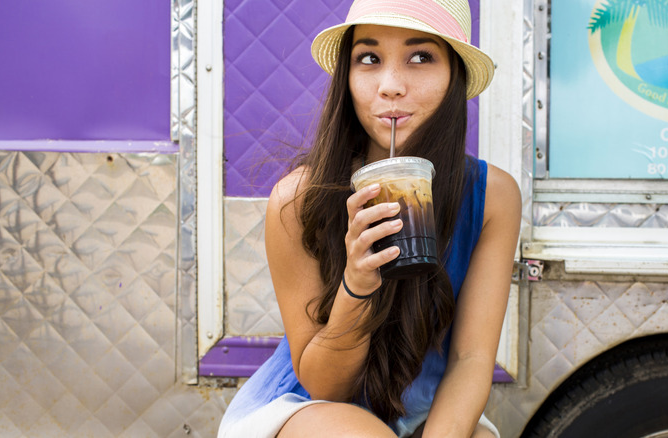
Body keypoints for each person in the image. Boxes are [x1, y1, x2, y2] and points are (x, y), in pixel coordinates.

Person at [218, 0, 521, 436]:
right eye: (369, 58)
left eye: (420, 57)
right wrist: (355, 286)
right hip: (308, 408)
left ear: (454, 74)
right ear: (348, 76)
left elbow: (470, 361)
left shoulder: (492, 197)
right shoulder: (298, 200)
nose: (391, 85)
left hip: (424, 405)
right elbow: (324, 385)